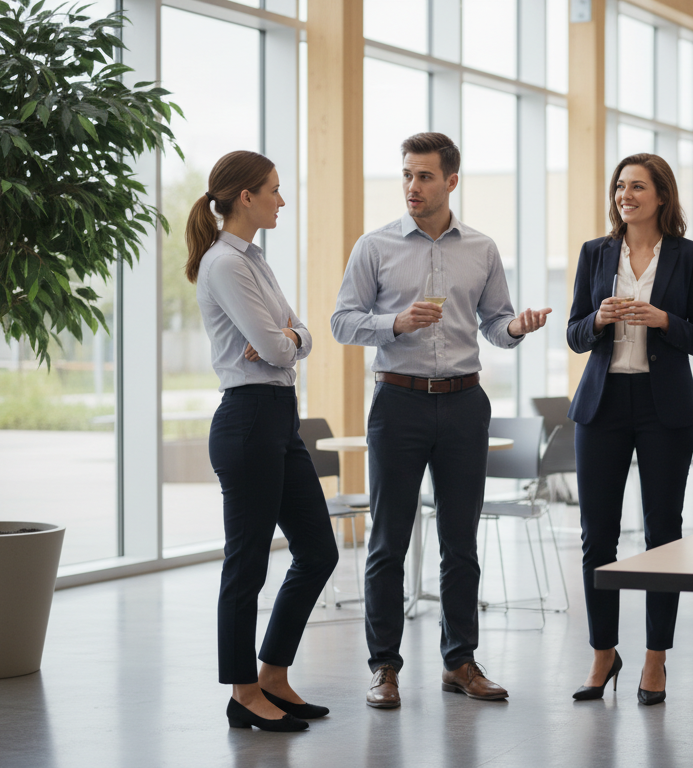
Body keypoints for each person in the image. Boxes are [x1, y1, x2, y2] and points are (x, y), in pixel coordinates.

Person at [330, 132, 551, 710]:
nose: (412, 186)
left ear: (451, 181)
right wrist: (395, 324)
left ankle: (460, 662)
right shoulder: (374, 246)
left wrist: (519, 327)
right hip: (397, 403)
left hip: (463, 402)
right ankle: (384, 667)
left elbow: (496, 325)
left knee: (460, 541)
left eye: (425, 176)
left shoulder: (481, 248)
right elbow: (341, 322)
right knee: (387, 543)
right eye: (406, 174)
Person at [189, 150, 339, 732]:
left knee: (318, 551)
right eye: (274, 190)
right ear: (245, 196)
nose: (282, 199)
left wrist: (287, 337)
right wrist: (285, 339)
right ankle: (242, 691)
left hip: (280, 417)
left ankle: (273, 675)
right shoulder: (224, 264)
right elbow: (280, 349)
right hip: (248, 419)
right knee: (246, 564)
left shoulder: (255, 261)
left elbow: (299, 335)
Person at [567, 153, 693, 706]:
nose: (626, 194)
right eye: (620, 186)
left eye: (637, 186)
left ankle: (656, 659)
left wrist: (662, 321)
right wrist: (599, 319)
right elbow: (575, 335)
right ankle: (604, 652)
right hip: (602, 405)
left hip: (664, 408)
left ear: (661, 196)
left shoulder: (690, 257)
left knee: (663, 536)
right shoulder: (594, 253)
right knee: (596, 537)